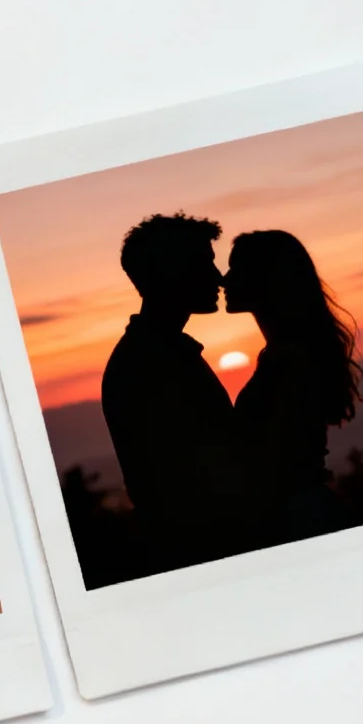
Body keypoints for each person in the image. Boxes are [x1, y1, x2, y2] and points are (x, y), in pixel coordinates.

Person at [100, 212, 247, 572]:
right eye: (204, 264)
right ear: (171, 272)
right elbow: (196, 478)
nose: (218, 276)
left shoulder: (157, 353)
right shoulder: (151, 362)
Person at [222, 229, 363, 547]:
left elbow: (275, 457)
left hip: (293, 518)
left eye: (235, 270)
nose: (224, 280)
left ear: (265, 279)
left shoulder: (289, 360)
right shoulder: (280, 354)